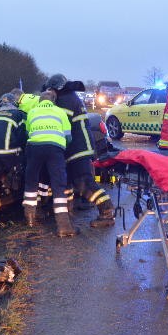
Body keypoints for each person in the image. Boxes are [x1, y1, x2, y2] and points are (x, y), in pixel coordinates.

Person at [44, 74, 116, 228]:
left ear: (57, 88)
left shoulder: (64, 101)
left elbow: (56, 123)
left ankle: (107, 212)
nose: (49, 93)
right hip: (76, 148)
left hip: (78, 149)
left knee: (84, 183)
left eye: (50, 90)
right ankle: (67, 212)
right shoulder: (70, 97)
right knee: (67, 182)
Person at [23, 90, 78, 237]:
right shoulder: (60, 112)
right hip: (55, 149)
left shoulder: (32, 111)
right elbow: (68, 137)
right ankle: (64, 226)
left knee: (31, 182)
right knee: (58, 184)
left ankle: (29, 219)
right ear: (53, 101)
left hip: (34, 148)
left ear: (40, 101)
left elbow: (28, 132)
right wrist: (62, 147)